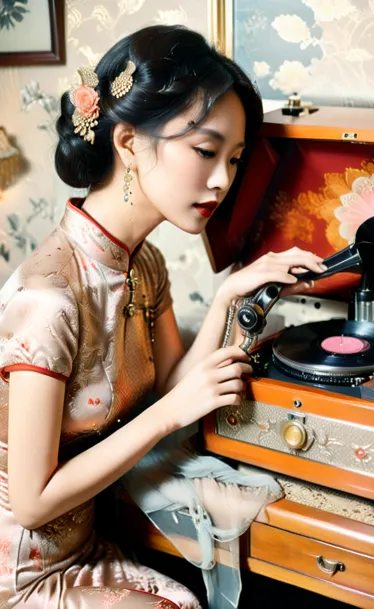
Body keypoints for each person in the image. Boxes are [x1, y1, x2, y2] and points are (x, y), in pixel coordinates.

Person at [0, 25, 326, 609]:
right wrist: (172, 410)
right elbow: (31, 501)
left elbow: (169, 393)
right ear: (127, 143)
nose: (223, 179)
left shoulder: (143, 262)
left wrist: (230, 295)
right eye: (206, 151)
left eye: (234, 158)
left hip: (85, 549)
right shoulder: (48, 298)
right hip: (16, 573)